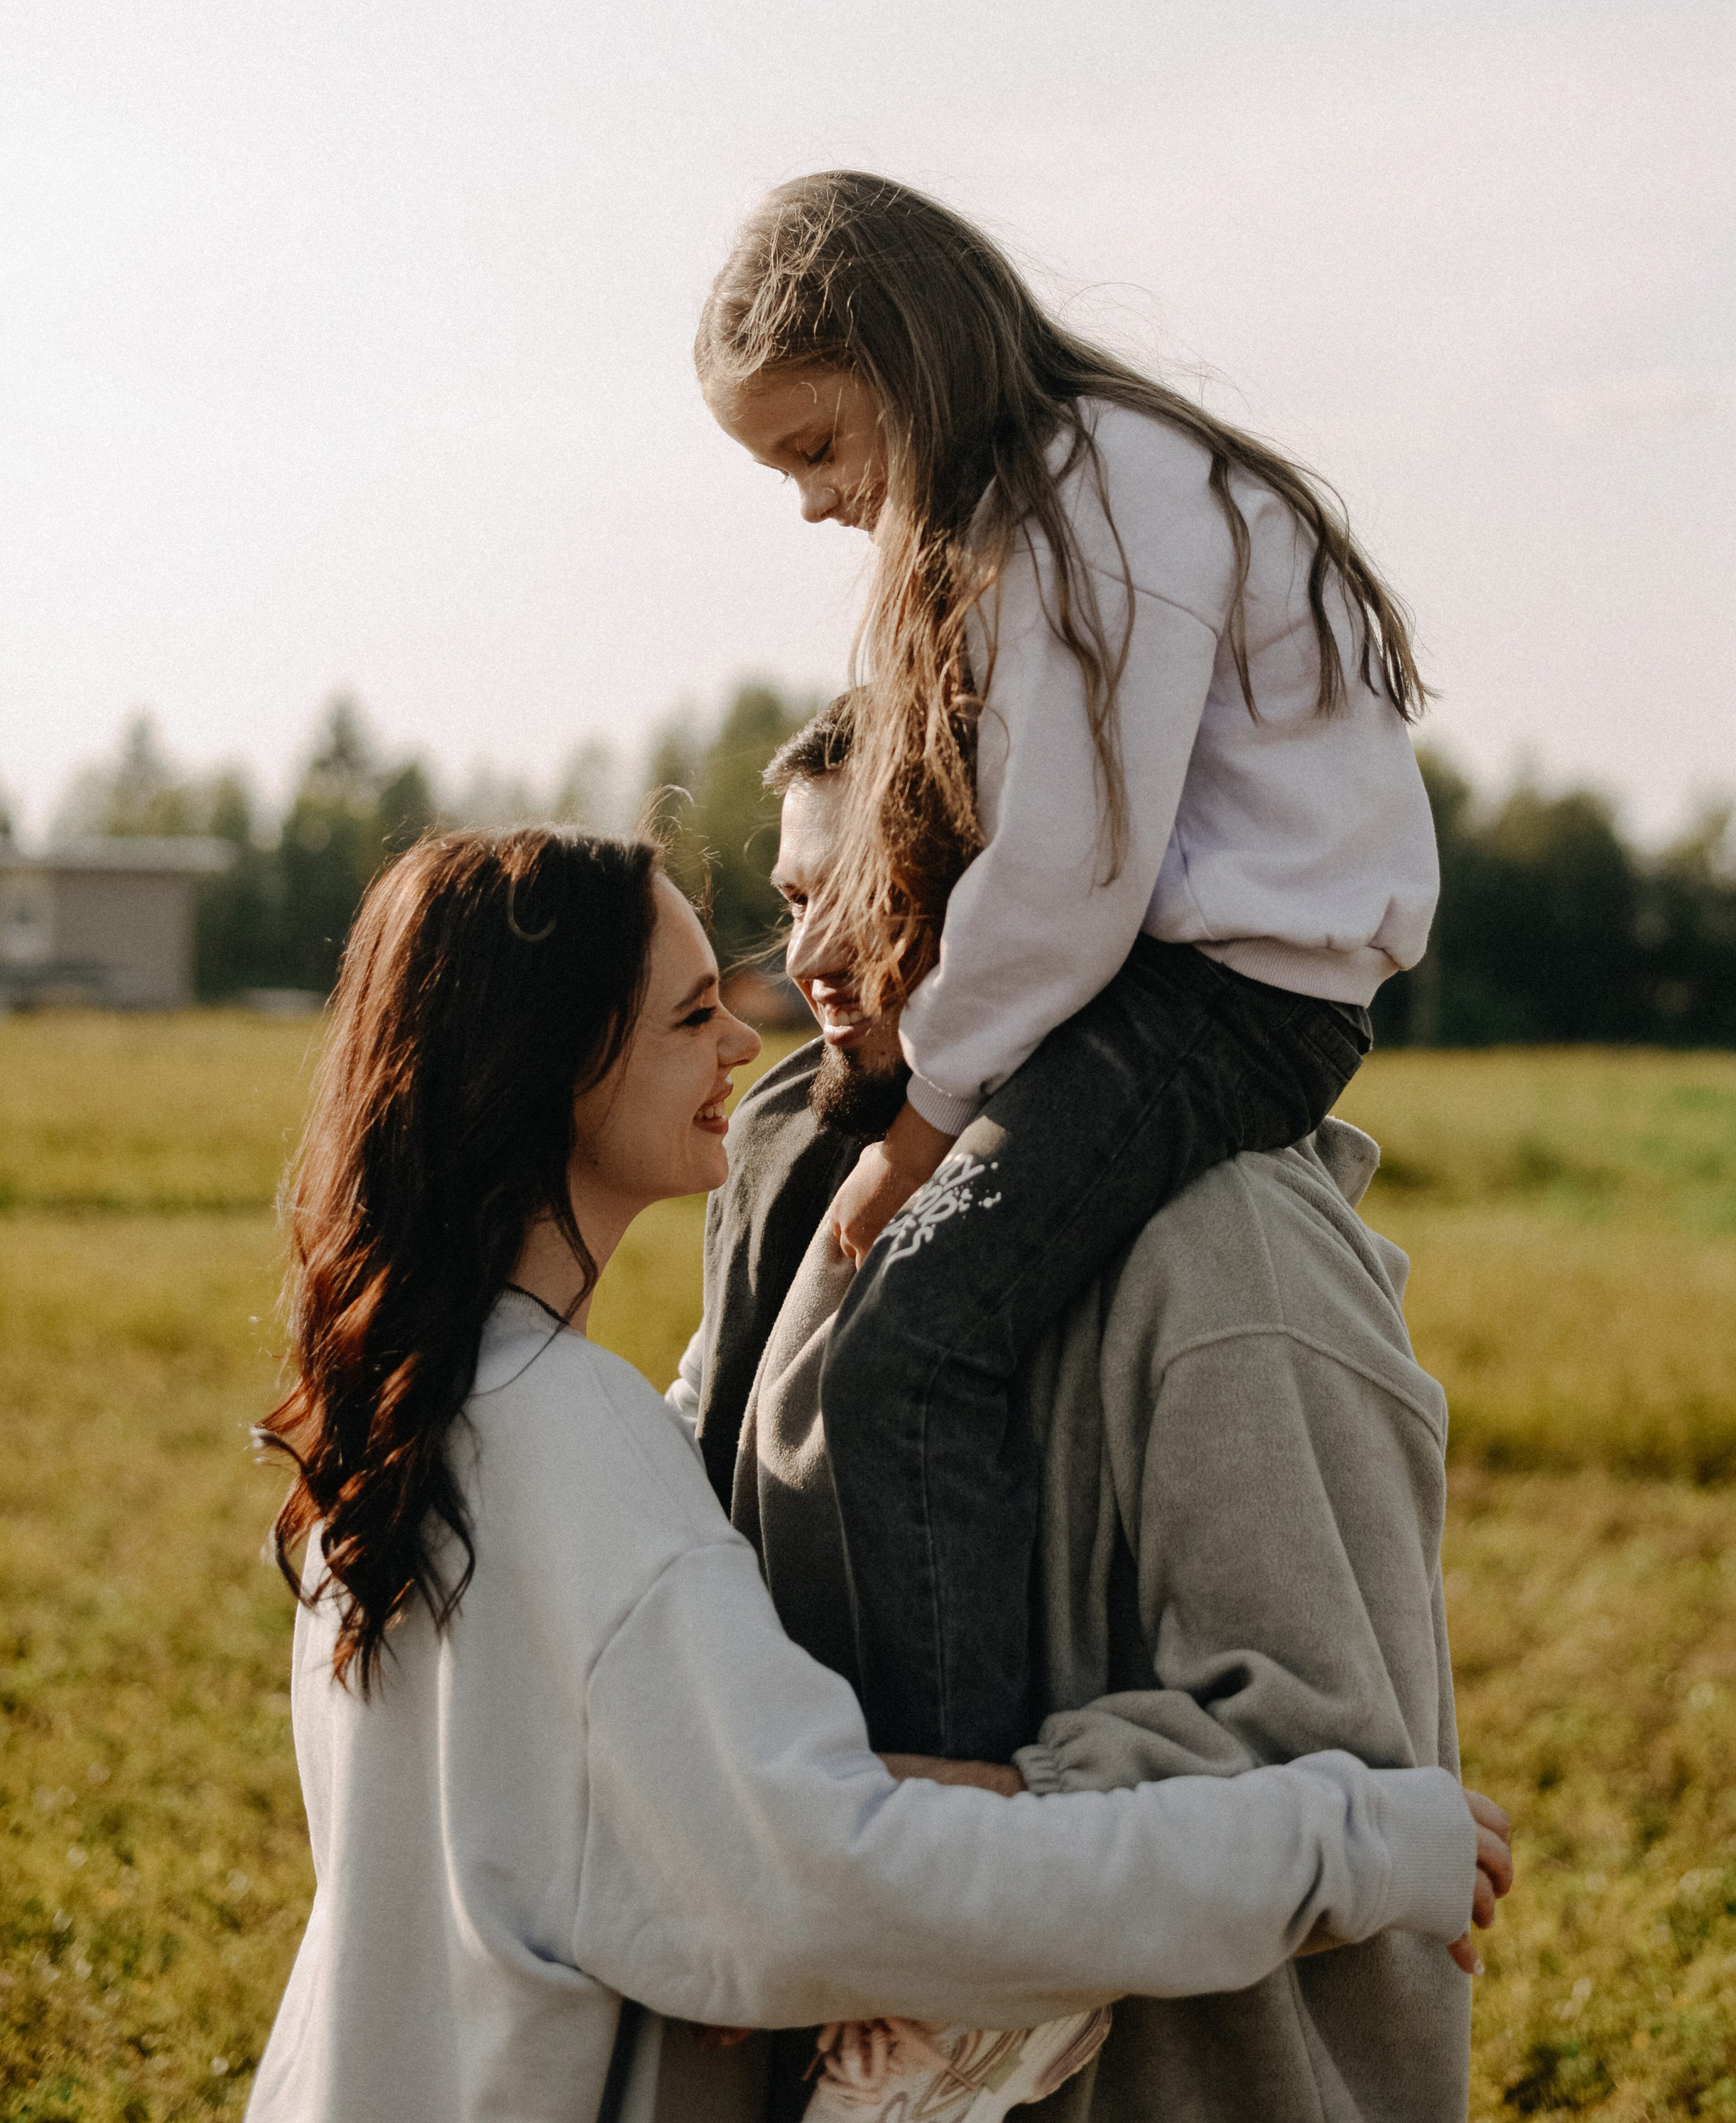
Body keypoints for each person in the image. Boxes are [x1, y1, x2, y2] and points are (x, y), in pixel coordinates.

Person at [244, 827, 1489, 2123]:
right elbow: (839, 1884)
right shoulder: (570, 1443)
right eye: (688, 1018)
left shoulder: (421, 1413)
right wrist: (1358, 1842)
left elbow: (669, 1819)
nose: (747, 1037)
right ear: (555, 1070)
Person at [697, 171, 1441, 1769]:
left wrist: (929, 1120)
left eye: (818, 448)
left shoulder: (1101, 491)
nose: (817, 503)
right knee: (792, 1175)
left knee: (907, 1350)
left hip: (1229, 1003)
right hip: (1152, 986)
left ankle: (957, 1821)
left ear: (904, 358)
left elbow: (1072, 864)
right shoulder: (1032, 502)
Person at [673, 704, 1509, 2122]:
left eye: (872, 901)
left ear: (1039, 910)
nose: (807, 961)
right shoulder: (808, 1181)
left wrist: (890, 1818)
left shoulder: (1229, 1249)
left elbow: (1333, 1765)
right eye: (793, 898)